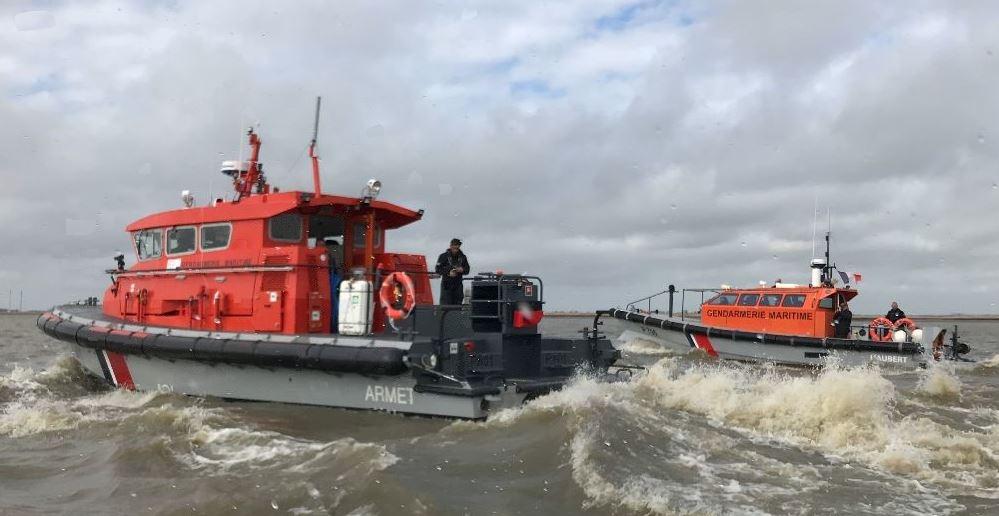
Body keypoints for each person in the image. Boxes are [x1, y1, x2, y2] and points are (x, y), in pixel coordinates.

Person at [435, 238, 470, 305]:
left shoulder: (463, 257)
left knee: (458, 304)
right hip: (446, 284)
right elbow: (438, 269)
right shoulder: (443, 256)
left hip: (458, 284)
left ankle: (457, 312)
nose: (455, 250)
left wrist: (462, 270)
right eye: (454, 248)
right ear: (450, 246)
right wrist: (448, 273)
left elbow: (467, 270)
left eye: (457, 248)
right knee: (445, 305)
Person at [324, 237, 343, 332]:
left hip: (332, 279)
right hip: (337, 278)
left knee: (333, 304)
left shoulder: (327, 252)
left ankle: (333, 325)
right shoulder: (339, 252)